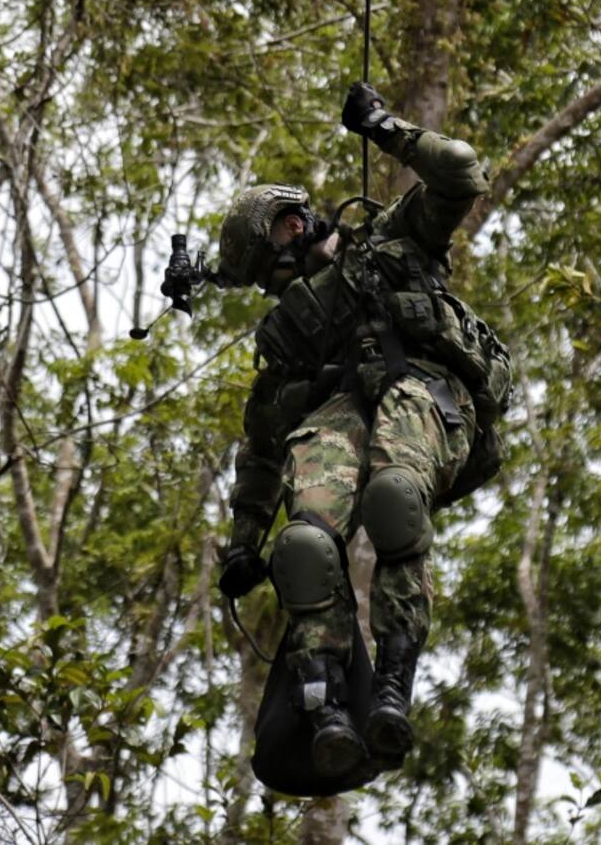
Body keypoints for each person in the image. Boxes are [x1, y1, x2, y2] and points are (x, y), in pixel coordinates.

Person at [215, 82, 511, 779]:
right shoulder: (293, 332)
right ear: (272, 258)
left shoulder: (392, 239)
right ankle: (326, 707)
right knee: (307, 542)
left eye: (295, 213)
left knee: (392, 498)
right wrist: (241, 544)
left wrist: (386, 128)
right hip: (347, 412)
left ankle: (391, 690)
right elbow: (260, 445)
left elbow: (463, 173)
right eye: (284, 224)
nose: (301, 222)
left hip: (429, 398)